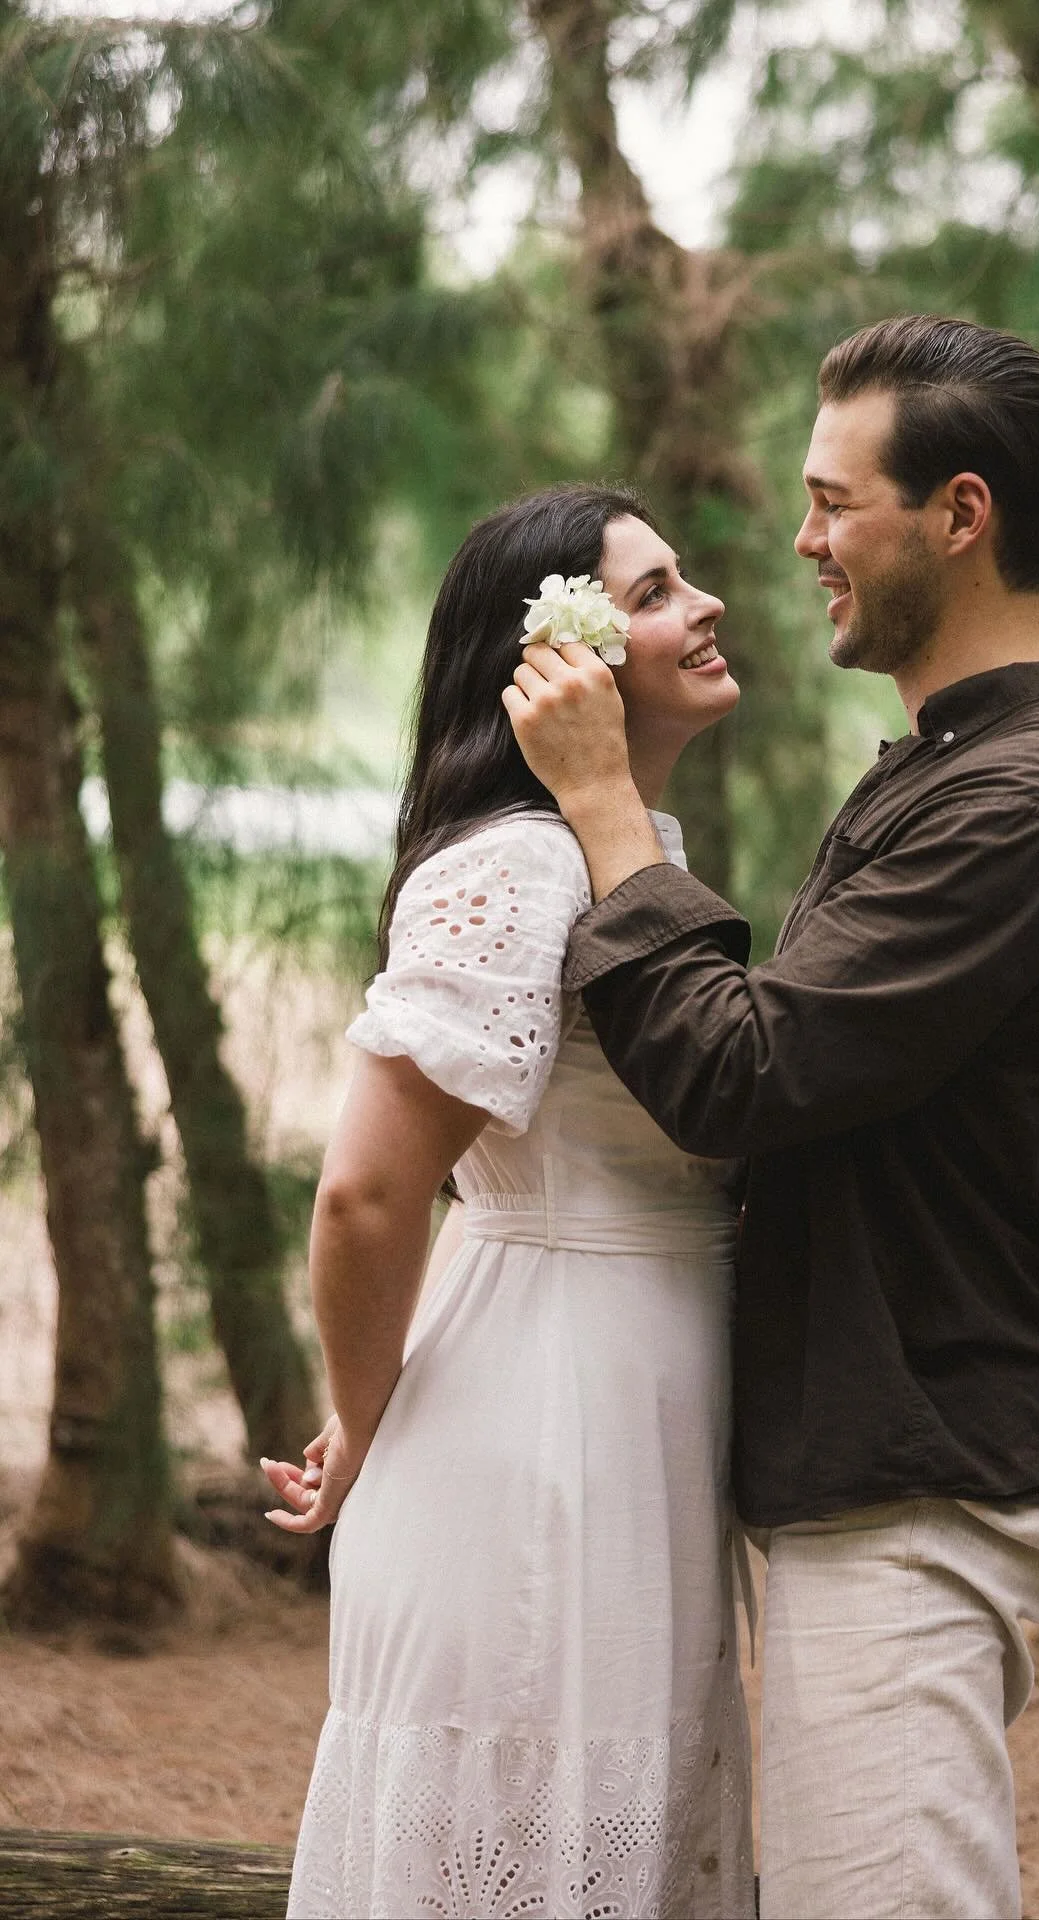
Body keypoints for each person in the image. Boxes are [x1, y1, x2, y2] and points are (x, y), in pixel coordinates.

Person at [503, 316, 1039, 1920]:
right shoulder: (956, 769)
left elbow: (744, 1072)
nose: (799, 543)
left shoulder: (1021, 802)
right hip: (883, 1464)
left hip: (921, 1485)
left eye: (832, 502)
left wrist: (600, 808)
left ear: (961, 513)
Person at [261, 484, 755, 1920]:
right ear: (560, 663)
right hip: (539, 1432)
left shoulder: (629, 853)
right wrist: (362, 1417)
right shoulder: (519, 866)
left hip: (636, 1423)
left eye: (684, 577)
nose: (706, 601)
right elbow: (366, 1194)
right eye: (655, 591)